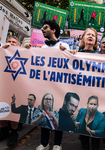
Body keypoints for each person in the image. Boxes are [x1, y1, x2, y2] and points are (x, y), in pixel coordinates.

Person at [25, 20, 70, 150]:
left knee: (57, 115)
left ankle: (57, 143)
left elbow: (71, 64)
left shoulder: (63, 45)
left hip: (59, 87)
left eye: (45, 27)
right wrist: (28, 51)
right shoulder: (42, 48)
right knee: (45, 114)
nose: (42, 29)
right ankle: (44, 143)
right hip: (46, 88)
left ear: (54, 30)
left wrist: (66, 52)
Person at [0, 36, 21, 146]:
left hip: (16, 87)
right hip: (2, 86)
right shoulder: (1, 51)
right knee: (1, 108)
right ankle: (3, 131)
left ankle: (14, 133)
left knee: (13, 111)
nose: (11, 43)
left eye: (14, 42)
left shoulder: (23, 54)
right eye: (9, 41)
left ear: (18, 45)